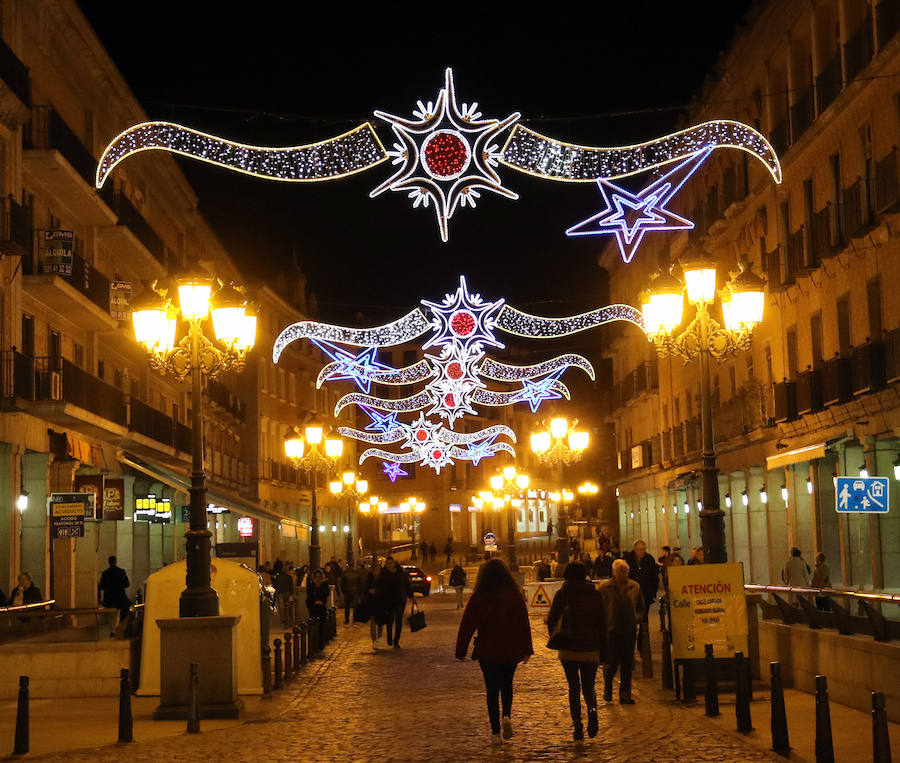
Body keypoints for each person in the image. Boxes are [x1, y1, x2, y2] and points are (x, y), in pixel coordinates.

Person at [455, 559, 533, 745]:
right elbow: (523, 623)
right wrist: (527, 649)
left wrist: (461, 650)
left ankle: (495, 732)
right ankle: (507, 715)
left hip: (488, 649)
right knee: (507, 684)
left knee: (491, 689)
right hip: (511, 647)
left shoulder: (480, 596)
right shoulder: (514, 595)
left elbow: (467, 625)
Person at [547, 562, 607, 741]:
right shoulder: (595, 595)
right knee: (589, 687)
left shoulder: (562, 594)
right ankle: (593, 711)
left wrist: (556, 638)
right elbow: (602, 624)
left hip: (568, 650)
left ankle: (578, 727)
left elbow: (551, 620)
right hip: (590, 649)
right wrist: (603, 651)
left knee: (574, 688)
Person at [599, 559, 645, 704]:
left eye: (626, 572)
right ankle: (607, 689)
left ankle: (625, 695)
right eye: (620, 571)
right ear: (614, 572)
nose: (623, 574)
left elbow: (641, 608)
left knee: (627, 664)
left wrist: (635, 618)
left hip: (629, 630)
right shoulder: (604, 588)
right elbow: (599, 609)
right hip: (611, 631)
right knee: (611, 663)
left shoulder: (634, 587)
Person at [377, 557, 412, 648]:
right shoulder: (383, 574)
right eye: (388, 563)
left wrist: (411, 595)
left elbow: (407, 585)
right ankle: (389, 638)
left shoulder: (401, 573)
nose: (389, 565)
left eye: (391, 563)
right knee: (389, 620)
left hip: (400, 600)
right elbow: (380, 587)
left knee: (398, 620)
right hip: (388, 601)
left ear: (394, 563)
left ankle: (396, 641)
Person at [626, 540, 660, 612]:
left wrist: (653, 593)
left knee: (644, 614)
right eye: (640, 549)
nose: (642, 551)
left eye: (643, 549)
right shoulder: (628, 559)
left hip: (646, 592)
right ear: (635, 549)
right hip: (631, 592)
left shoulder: (649, 559)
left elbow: (654, 577)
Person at [98, 556, 130, 621]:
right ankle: (119, 622)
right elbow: (127, 584)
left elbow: (101, 586)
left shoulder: (105, 573)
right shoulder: (121, 572)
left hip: (109, 600)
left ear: (109, 562)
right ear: (115, 562)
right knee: (127, 608)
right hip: (120, 598)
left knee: (109, 617)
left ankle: (112, 627)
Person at [366, 562, 386, 650]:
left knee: (380, 623)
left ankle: (379, 638)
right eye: (376, 570)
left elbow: (385, 590)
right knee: (373, 623)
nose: (377, 571)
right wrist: (369, 591)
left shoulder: (383, 579)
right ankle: (374, 641)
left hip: (381, 603)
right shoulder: (369, 579)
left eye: (379, 570)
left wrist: (377, 591)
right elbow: (365, 589)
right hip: (372, 603)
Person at [272, 561, 294, 625]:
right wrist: (291, 594)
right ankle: (288, 621)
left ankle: (284, 621)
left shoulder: (278, 577)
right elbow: (291, 586)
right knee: (287, 608)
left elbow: (275, 586)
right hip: (286, 593)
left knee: (282, 609)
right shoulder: (289, 577)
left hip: (280, 593)